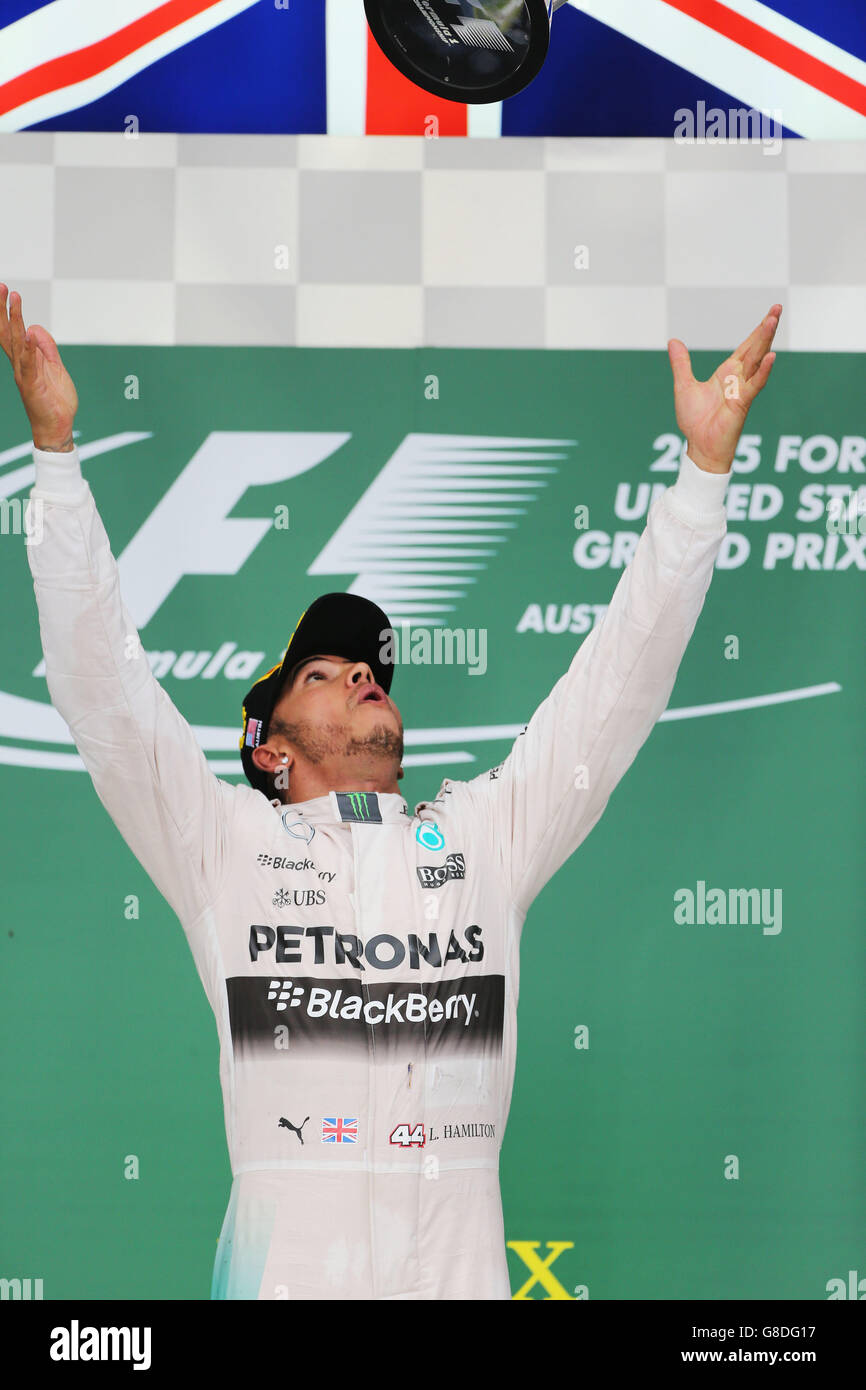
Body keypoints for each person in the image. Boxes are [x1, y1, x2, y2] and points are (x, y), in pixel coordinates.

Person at [1, 283, 780, 1300]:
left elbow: (614, 690)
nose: (364, 674)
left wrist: (700, 476)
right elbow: (101, 684)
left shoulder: (481, 833)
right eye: (322, 674)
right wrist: (55, 458)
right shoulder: (222, 843)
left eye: (370, 669)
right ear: (268, 748)